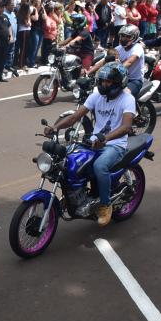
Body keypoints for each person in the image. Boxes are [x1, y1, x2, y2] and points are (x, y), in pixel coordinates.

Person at [43, 63, 135, 226]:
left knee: (100, 166)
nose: (104, 84)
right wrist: (55, 127)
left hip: (115, 144)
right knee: (66, 159)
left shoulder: (127, 99)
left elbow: (126, 127)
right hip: (94, 141)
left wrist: (105, 139)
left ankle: (105, 205)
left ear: (118, 83)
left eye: (108, 82)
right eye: (102, 81)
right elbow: (74, 117)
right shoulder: (96, 96)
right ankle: (75, 196)